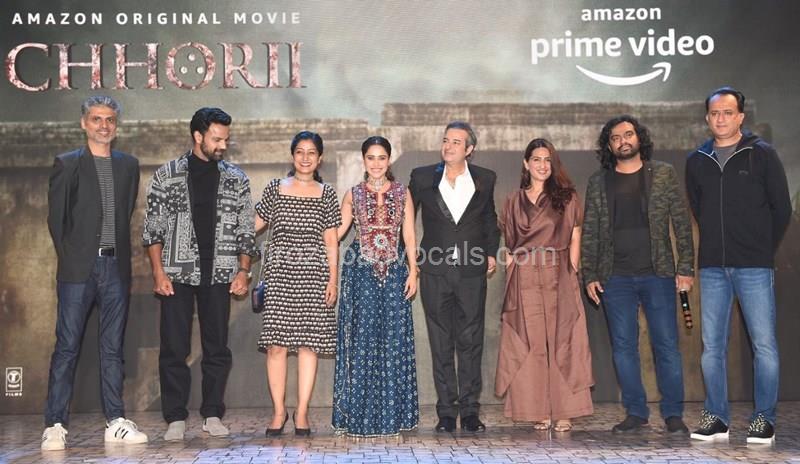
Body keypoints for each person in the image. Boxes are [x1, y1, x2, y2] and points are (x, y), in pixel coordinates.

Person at [143, 107, 257, 441]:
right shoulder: (167, 174)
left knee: (217, 348)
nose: (223, 145)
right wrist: (158, 273)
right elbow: (153, 229)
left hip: (220, 273)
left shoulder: (236, 178)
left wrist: (243, 270)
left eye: (226, 139)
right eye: (217, 139)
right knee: (174, 347)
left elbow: (246, 229)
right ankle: (175, 417)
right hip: (177, 272)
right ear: (198, 136)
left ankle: (212, 413)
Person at [686, 87, 791, 444]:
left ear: (740, 117)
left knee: (764, 345)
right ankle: (716, 417)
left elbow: (782, 208)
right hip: (713, 266)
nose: (721, 119)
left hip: (754, 266)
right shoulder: (697, 159)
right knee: (711, 347)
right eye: (715, 113)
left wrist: (761, 247)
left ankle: (764, 419)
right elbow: (699, 208)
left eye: (728, 112)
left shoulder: (762, 154)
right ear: (707, 118)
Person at [42, 95, 147, 450]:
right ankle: (55, 423)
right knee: (67, 346)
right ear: (84, 123)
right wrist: (73, 258)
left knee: (112, 347)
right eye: (97, 119)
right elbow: (57, 221)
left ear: (116, 125)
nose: (104, 125)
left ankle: (115, 421)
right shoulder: (68, 163)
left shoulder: (128, 166)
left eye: (110, 119)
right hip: (78, 268)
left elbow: (125, 213)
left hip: (115, 267)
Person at [581, 115, 695, 434]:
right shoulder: (598, 182)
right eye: (616, 137)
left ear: (639, 138)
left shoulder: (663, 173)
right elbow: (590, 231)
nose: (623, 141)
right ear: (609, 145)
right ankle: (636, 411)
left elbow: (681, 223)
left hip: (658, 274)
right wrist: (589, 274)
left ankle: (673, 413)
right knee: (623, 347)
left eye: (628, 134)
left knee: (666, 345)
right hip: (614, 276)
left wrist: (686, 267)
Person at [495, 138, 593, 432]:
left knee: (564, 340)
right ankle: (537, 410)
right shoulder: (513, 201)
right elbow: (510, 245)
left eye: (547, 160)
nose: (542, 165)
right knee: (531, 341)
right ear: (526, 163)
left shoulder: (567, 197)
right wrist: (511, 277)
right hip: (524, 275)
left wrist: (572, 271)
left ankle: (565, 411)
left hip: (557, 272)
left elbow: (575, 235)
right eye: (536, 159)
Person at [409, 121, 500, 433]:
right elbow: (406, 219)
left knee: (471, 341)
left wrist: (491, 252)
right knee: (440, 342)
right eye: (446, 140)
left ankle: (471, 410)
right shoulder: (422, 177)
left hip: (471, 271)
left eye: (456, 142)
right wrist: (407, 256)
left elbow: (490, 218)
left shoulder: (486, 178)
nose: (448, 146)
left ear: (469, 149)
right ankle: (446, 412)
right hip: (434, 270)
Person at [332, 136, 420, 437]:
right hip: (361, 273)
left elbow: (409, 235)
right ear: (363, 160)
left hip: (394, 272)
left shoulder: (402, 192)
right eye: (371, 157)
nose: (376, 163)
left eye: (382, 157)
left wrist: (413, 271)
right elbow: (338, 232)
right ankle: (358, 416)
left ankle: (394, 417)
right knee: (363, 341)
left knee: (393, 341)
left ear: (389, 160)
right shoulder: (353, 194)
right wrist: (309, 229)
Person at [255, 131, 341, 437]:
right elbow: (254, 225)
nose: (305, 158)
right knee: (276, 347)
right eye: (300, 152)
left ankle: (302, 412)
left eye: (311, 152)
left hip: (314, 278)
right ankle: (279, 411)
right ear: (293, 156)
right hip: (279, 277)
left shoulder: (327, 193)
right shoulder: (275, 188)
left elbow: (331, 241)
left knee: (308, 346)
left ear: (320, 158)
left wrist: (333, 280)